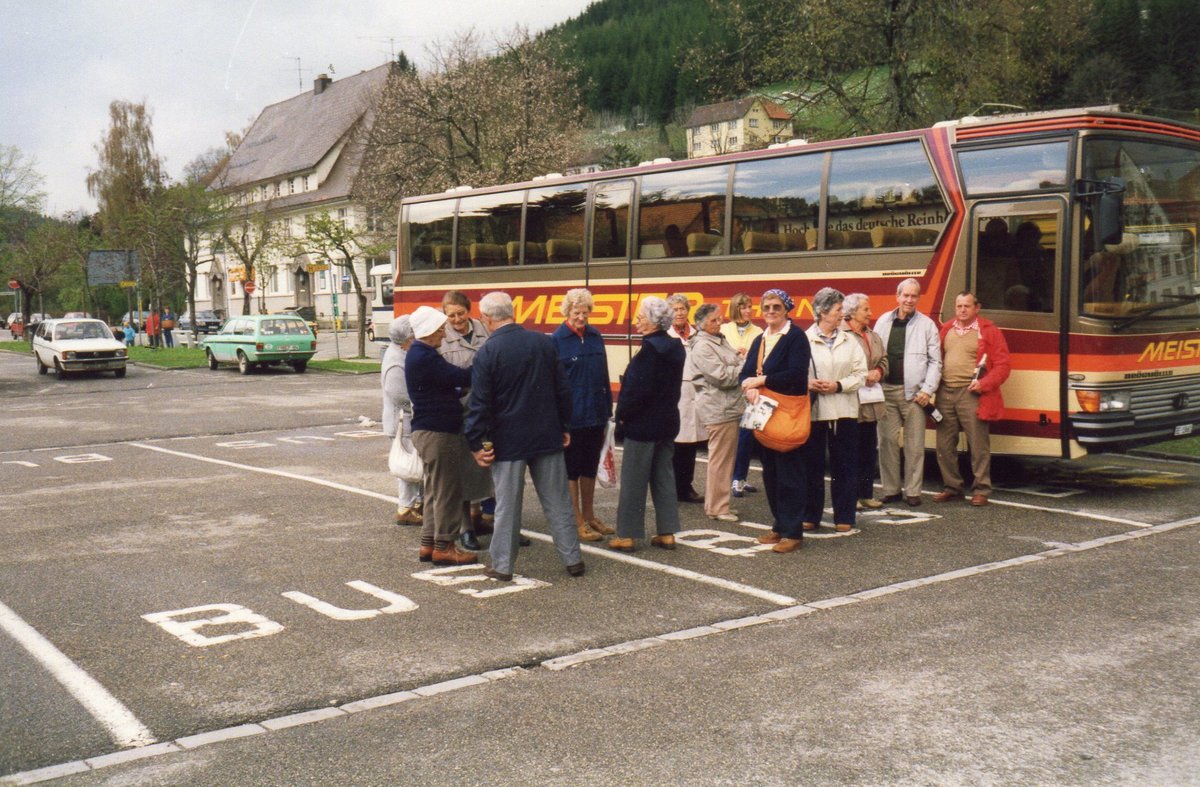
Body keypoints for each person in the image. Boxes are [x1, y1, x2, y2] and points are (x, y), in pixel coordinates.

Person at [466, 292, 584, 581]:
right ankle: (573, 559)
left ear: (487, 319)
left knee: (508, 505)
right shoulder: (543, 342)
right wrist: (564, 426)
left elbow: (480, 402)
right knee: (558, 500)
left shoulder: (487, 352)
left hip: (507, 440)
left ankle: (503, 565)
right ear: (512, 312)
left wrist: (475, 442)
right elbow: (563, 389)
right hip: (546, 434)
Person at [609, 296, 685, 552]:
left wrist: (622, 415)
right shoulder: (676, 348)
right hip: (667, 422)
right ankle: (667, 532)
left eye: (641, 317)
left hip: (642, 426)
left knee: (633, 481)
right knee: (663, 477)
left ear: (653, 322)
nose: (637, 321)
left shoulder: (649, 351)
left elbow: (636, 392)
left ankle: (627, 535)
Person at [740, 288, 810, 554]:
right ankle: (779, 525)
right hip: (765, 414)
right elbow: (746, 372)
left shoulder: (796, 337)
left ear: (787, 309)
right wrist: (748, 388)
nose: (770, 311)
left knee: (790, 474)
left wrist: (763, 381)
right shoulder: (761, 339)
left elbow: (797, 375)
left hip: (788, 414)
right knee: (770, 472)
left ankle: (793, 532)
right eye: (766, 307)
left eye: (776, 307)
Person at [406, 305, 476, 566]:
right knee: (448, 490)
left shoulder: (419, 354)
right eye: (440, 330)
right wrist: (485, 363)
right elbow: (459, 376)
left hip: (427, 429)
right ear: (430, 331)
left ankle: (429, 543)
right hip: (439, 432)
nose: (444, 334)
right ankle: (445, 546)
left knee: (435, 489)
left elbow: (443, 385)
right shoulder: (426, 356)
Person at [933, 292, 1012, 506]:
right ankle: (952, 487)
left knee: (978, 444)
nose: (962, 310)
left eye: (967, 306)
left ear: (977, 308)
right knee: (944, 444)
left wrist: (983, 384)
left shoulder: (988, 330)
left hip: (972, 393)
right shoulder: (946, 329)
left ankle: (981, 489)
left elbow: (1003, 366)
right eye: (959, 305)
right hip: (945, 392)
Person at [550, 288, 615, 543]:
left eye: (585, 312)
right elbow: (554, 382)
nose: (581, 317)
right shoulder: (557, 339)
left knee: (589, 467)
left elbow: (603, 374)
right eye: (577, 312)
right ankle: (576, 521)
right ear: (568, 312)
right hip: (572, 417)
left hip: (596, 414)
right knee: (571, 470)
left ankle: (590, 516)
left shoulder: (596, 336)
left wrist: (608, 408)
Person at [873, 278, 942, 507]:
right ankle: (891, 490)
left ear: (918, 298)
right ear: (897, 296)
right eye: (906, 295)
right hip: (886, 391)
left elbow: (936, 361)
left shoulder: (927, 325)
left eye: (914, 296)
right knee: (887, 442)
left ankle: (913, 491)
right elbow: (874, 354)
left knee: (914, 445)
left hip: (914, 395)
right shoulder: (883, 321)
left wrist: (927, 390)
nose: (909, 300)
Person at [803, 288, 867, 532]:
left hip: (844, 411)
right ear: (822, 311)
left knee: (845, 465)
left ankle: (845, 516)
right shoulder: (804, 340)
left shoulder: (850, 341)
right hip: (814, 411)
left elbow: (860, 375)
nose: (843, 314)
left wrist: (838, 385)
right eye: (839, 309)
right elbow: (796, 372)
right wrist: (809, 383)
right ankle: (810, 514)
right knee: (812, 465)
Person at [439, 290, 494, 552]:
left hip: (486, 409)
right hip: (460, 411)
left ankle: (481, 517)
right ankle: (465, 528)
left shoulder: (484, 329)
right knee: (461, 470)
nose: (457, 319)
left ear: (469, 311)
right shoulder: (441, 338)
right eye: (451, 315)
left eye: (461, 313)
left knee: (488, 467)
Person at [689, 303, 745, 522]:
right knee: (720, 459)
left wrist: (739, 363)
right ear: (702, 324)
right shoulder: (704, 346)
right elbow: (722, 377)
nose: (719, 322)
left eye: (719, 318)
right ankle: (718, 508)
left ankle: (718, 505)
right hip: (719, 407)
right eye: (713, 320)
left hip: (725, 406)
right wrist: (744, 366)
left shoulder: (717, 340)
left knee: (723, 458)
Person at [843, 293, 888, 510]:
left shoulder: (873, 335)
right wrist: (863, 376)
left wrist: (879, 371)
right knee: (850, 451)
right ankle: (849, 496)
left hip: (871, 402)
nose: (870, 313)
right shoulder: (842, 335)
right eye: (866, 310)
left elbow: (884, 359)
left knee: (868, 449)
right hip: (851, 401)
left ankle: (865, 494)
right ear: (852, 313)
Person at [721, 292, 763, 498]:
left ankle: (740, 478)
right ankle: (727, 478)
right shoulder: (723, 330)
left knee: (747, 434)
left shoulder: (759, 331)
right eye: (744, 307)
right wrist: (734, 354)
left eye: (750, 306)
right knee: (729, 436)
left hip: (749, 386)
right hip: (729, 387)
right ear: (735, 308)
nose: (749, 310)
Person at [382, 316, 422, 526]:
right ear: (406, 339)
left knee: (413, 464)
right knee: (407, 467)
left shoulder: (400, 353)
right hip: (401, 422)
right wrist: (421, 402)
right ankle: (405, 508)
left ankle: (415, 504)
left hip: (405, 421)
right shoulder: (396, 361)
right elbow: (398, 394)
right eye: (413, 336)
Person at [667, 293, 704, 503]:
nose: (679, 313)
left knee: (691, 444)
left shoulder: (697, 334)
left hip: (695, 392)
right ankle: (672, 488)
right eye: (675, 309)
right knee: (675, 443)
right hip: (676, 392)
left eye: (682, 309)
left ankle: (686, 487)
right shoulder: (666, 334)